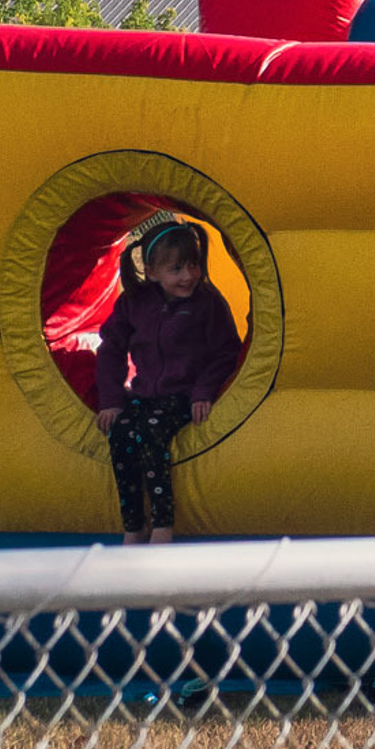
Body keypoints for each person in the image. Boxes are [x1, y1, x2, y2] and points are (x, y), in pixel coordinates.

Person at [94, 213, 246, 545]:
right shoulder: (134, 303)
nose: (188, 276)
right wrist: (111, 401)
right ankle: (134, 525)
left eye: (193, 265)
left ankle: (163, 524)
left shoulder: (208, 303)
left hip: (183, 395)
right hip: (145, 394)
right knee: (121, 433)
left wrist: (203, 392)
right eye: (176, 269)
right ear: (152, 272)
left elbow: (226, 351)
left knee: (150, 434)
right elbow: (111, 349)